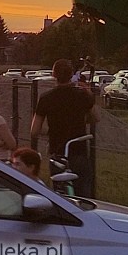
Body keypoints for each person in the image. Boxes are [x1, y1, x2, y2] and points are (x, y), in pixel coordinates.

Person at [30, 58, 98, 198]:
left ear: (54, 75)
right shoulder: (81, 95)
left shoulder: (46, 98)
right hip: (79, 152)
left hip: (58, 154)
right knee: (84, 197)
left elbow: (34, 130)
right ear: (71, 74)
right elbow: (95, 118)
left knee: (61, 199)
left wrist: (51, 132)